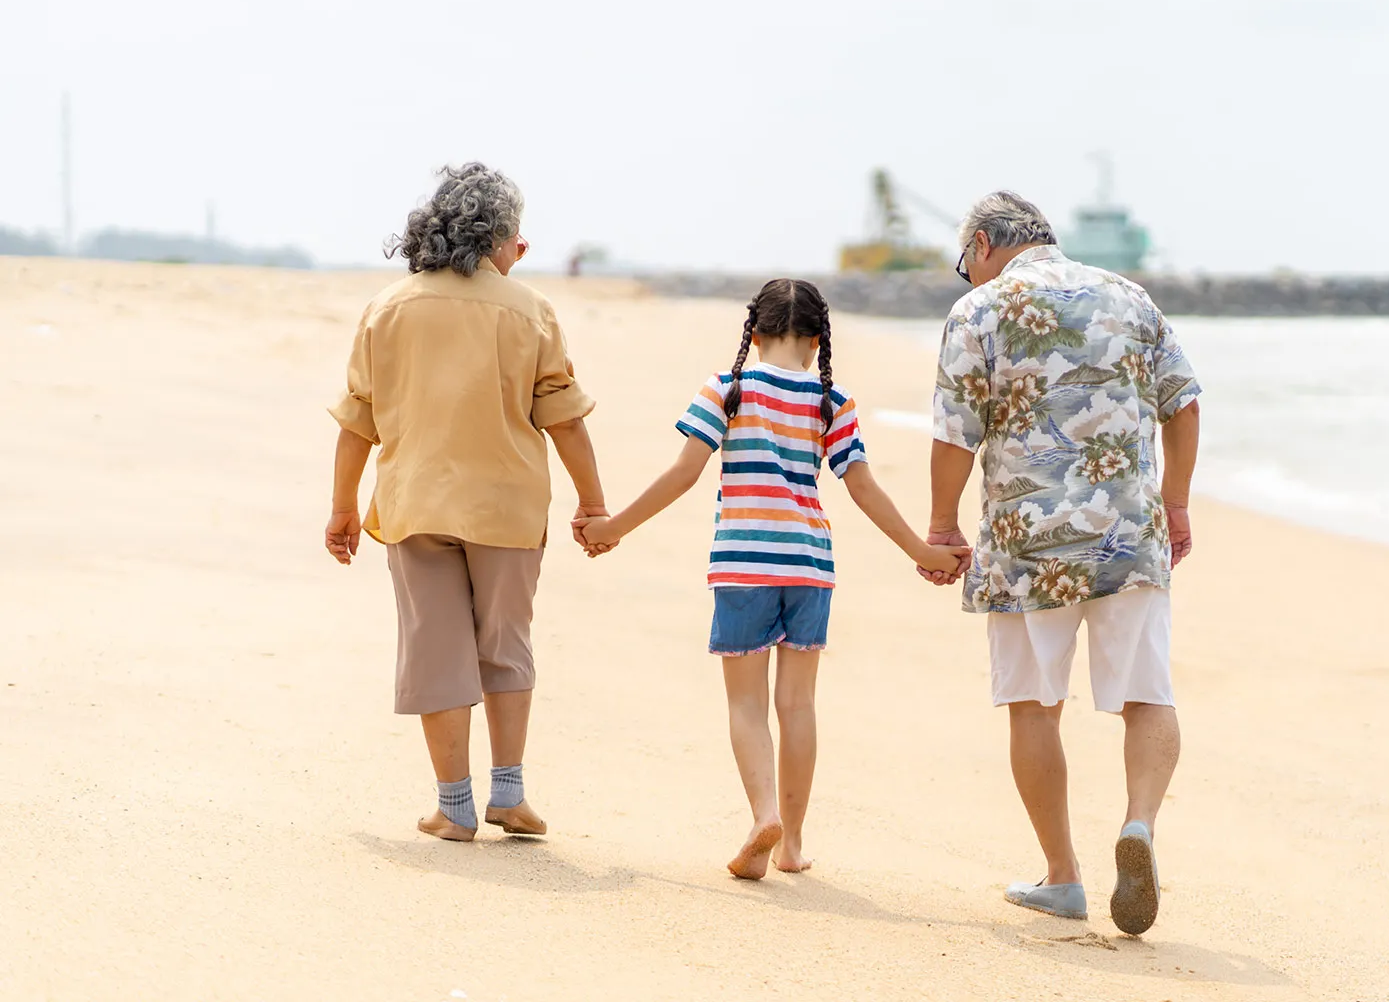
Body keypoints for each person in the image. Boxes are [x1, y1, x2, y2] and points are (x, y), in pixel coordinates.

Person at [577, 279, 969, 879]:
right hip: (810, 566)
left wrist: (615, 527)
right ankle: (791, 846)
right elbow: (862, 487)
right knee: (798, 705)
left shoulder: (728, 389)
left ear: (754, 334)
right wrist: (922, 550)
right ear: (816, 342)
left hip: (743, 564)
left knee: (746, 703)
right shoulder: (831, 402)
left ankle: (764, 813)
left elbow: (684, 473)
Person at [921, 191, 1202, 936]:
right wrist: (1174, 506)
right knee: (1147, 692)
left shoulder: (980, 311)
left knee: (1034, 704)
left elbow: (956, 433)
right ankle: (1138, 825)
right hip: (1128, 535)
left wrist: (943, 525)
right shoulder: (1130, 297)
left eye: (964, 264)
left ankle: (1063, 877)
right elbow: (1185, 404)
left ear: (982, 243)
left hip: (1027, 543)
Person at [325, 163, 613, 842]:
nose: (525, 246)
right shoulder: (530, 310)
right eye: (517, 233)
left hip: (414, 503)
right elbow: (565, 418)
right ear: (498, 236)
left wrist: (342, 506)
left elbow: (357, 419)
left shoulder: (389, 307)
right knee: (505, 645)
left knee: (437, 648)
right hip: (507, 508)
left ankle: (454, 806)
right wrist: (593, 504)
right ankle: (508, 793)